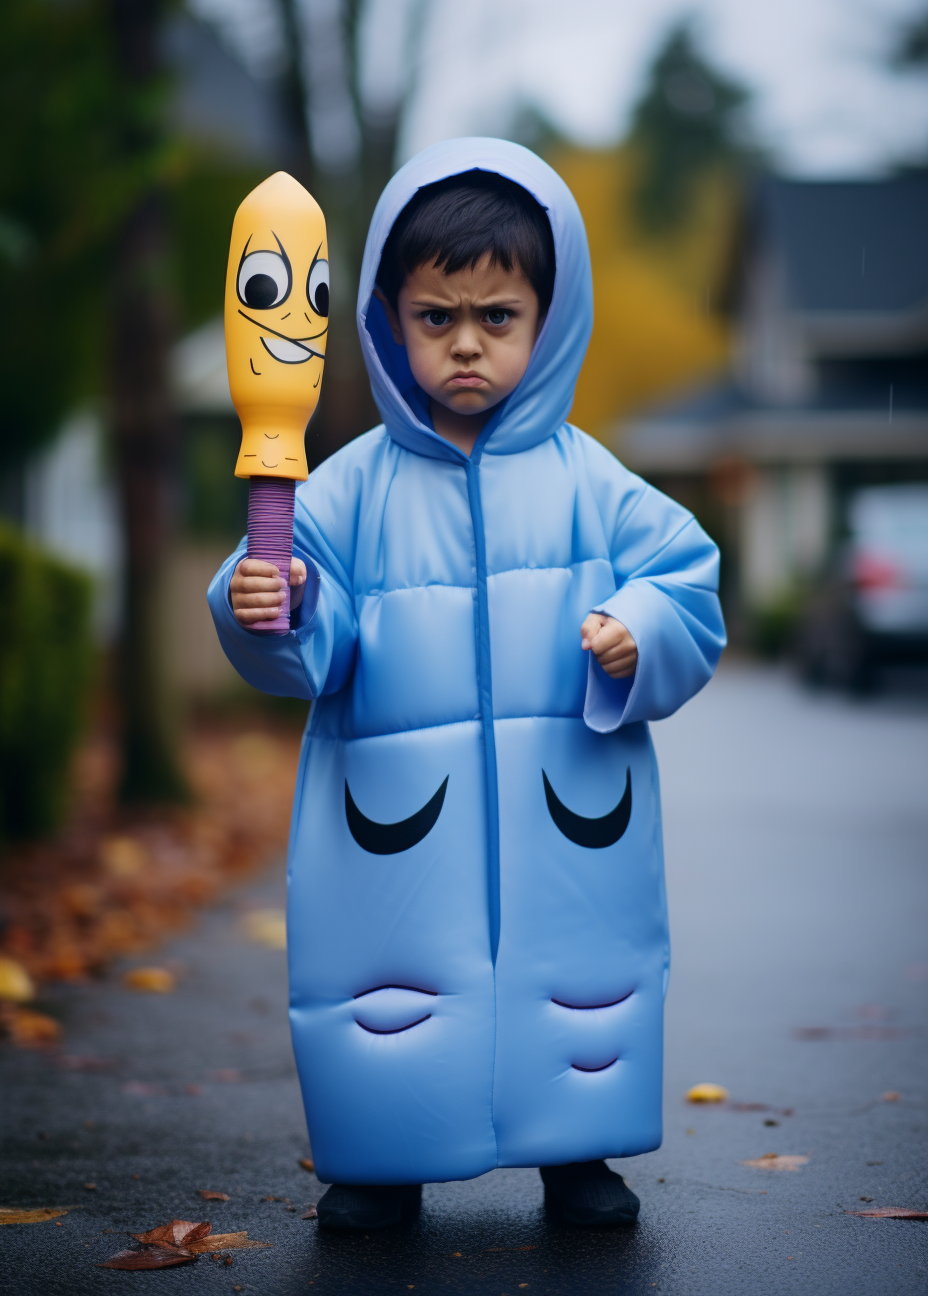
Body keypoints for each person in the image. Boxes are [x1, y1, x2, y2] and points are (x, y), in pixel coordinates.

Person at [208, 138, 725, 1231]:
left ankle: (577, 1159)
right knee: (389, 990)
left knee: (579, 976)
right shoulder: (346, 488)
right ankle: (384, 1164)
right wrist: (279, 604)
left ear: (551, 318)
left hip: (567, 811)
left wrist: (639, 627)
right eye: (436, 317)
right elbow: (310, 624)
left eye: (498, 316)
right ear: (391, 321)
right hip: (393, 824)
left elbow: (685, 580)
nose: (467, 347)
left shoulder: (593, 482)